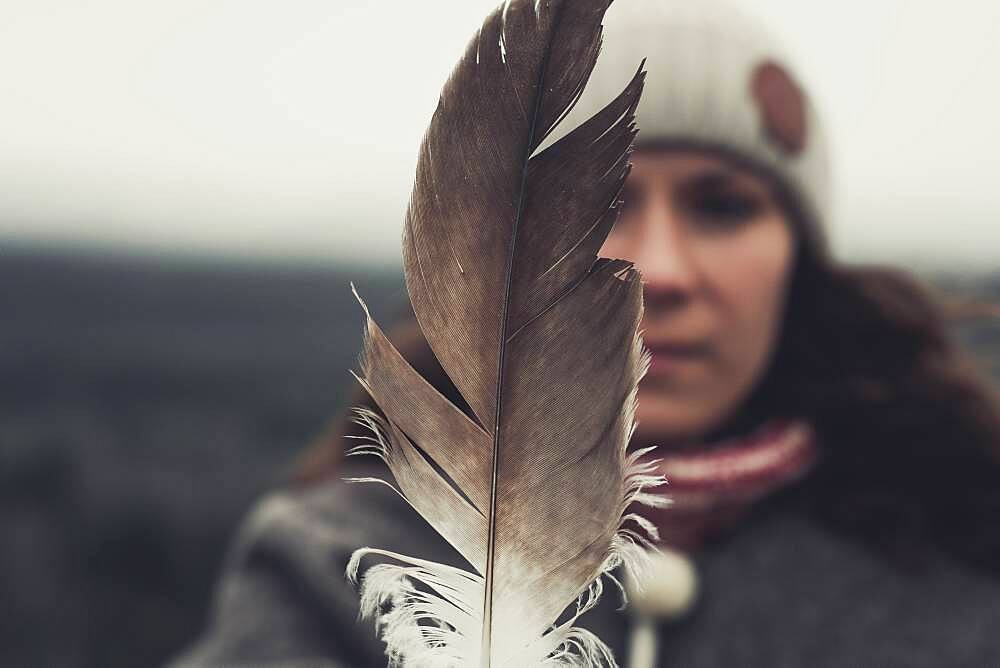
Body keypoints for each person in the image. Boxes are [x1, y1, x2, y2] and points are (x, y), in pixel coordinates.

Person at [171, 1, 1000, 666]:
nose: (660, 273)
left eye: (722, 206)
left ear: (798, 260)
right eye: (594, 207)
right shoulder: (335, 576)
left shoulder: (963, 566)